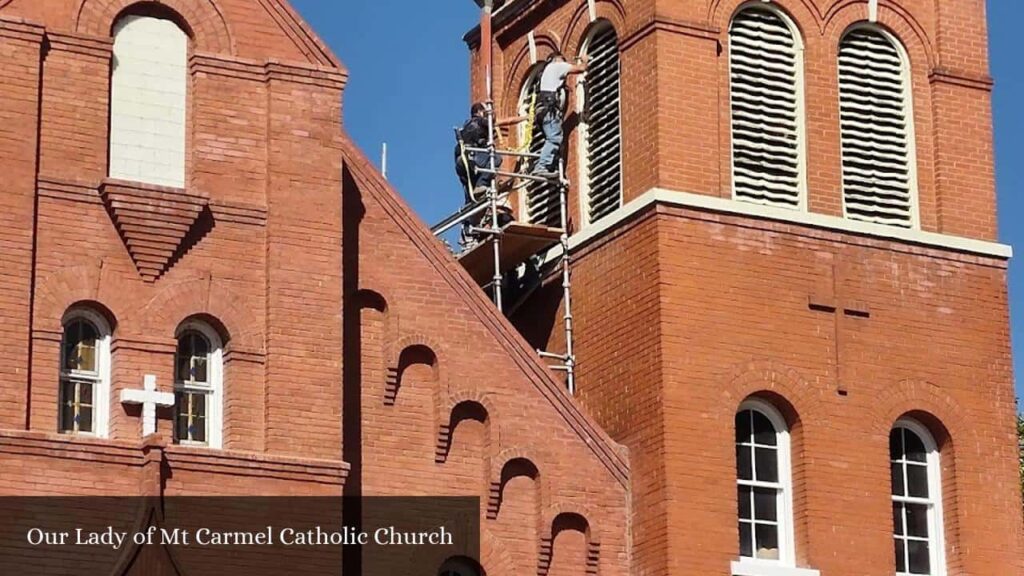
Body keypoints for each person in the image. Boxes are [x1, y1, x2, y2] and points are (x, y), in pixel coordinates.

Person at [531, 52, 587, 179]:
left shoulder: (546, 73)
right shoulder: (557, 65)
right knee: (554, 138)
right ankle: (541, 166)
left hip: (542, 111)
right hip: (549, 111)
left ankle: (549, 165)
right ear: (558, 59)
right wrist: (584, 60)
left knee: (552, 139)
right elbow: (581, 69)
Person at [455, 102, 501, 204]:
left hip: (461, 161)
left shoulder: (465, 127)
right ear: (479, 112)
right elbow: (491, 122)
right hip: (473, 157)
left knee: (471, 184)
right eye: (484, 112)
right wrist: (491, 113)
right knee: (496, 159)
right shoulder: (479, 121)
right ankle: (482, 184)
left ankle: (469, 205)